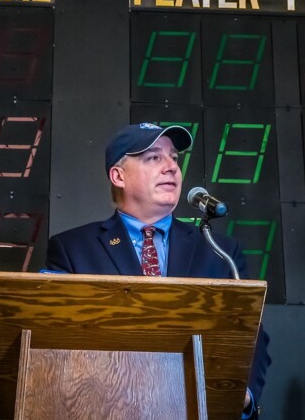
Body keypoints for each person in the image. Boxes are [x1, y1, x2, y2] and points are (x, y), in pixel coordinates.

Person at [46, 122, 271, 419]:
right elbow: (55, 342)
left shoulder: (220, 252)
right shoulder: (72, 249)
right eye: (153, 158)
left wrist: (242, 397)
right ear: (118, 175)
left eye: (174, 158)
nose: (171, 168)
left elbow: (252, 334)